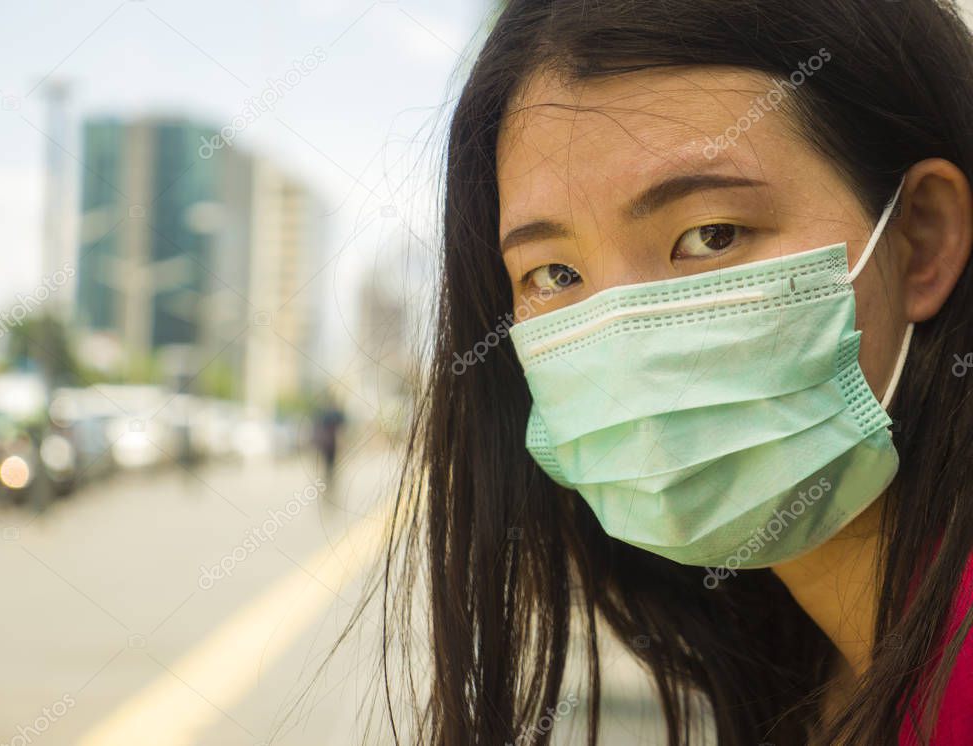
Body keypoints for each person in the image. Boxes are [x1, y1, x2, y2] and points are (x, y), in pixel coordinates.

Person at [371, 1, 973, 744]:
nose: (628, 333)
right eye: (555, 274)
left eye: (710, 235)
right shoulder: (808, 666)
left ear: (922, 239)